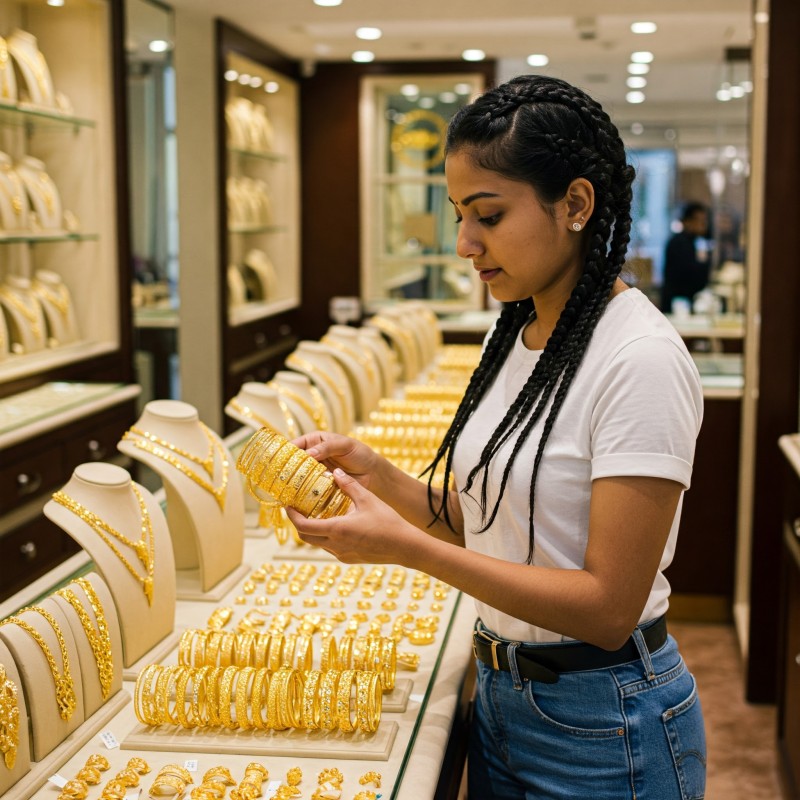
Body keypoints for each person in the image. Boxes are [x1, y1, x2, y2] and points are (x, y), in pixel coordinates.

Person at [287, 74, 707, 800]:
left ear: (575, 204)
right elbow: (496, 523)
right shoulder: (522, 329)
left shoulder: (639, 359)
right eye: (457, 215)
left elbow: (609, 607)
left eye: (488, 215)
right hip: (504, 701)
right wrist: (379, 475)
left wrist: (402, 548)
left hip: (603, 725)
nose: (464, 244)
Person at [660, 201, 711, 313]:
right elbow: (686, 275)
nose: (703, 224)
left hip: (684, 302)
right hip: (678, 304)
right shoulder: (679, 243)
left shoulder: (694, 242)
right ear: (688, 221)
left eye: (704, 221)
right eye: (700, 221)